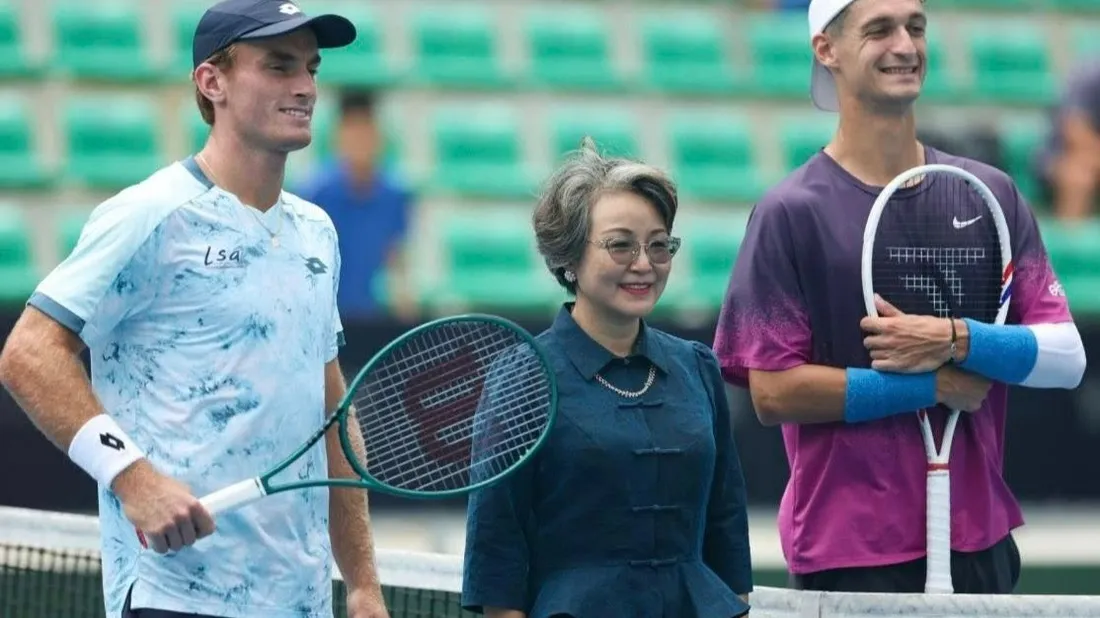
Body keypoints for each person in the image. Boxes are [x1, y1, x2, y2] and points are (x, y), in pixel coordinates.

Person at [0, 1, 390, 617]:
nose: (306, 87)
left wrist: (363, 582)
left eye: (311, 70)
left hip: (300, 602)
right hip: (174, 595)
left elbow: (330, 411)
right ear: (213, 83)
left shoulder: (317, 231)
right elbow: (28, 353)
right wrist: (134, 478)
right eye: (279, 66)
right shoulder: (149, 214)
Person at [714, 0, 1087, 595]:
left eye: (916, 27)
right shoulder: (789, 213)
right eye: (879, 29)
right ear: (826, 49)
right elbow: (772, 392)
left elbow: (1067, 357)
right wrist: (929, 384)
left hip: (980, 542)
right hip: (848, 550)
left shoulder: (993, 194)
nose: (906, 46)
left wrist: (953, 339)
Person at [460, 140, 753, 618]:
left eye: (659, 245)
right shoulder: (524, 376)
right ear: (569, 258)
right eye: (621, 244)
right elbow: (497, 546)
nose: (644, 264)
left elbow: (725, 523)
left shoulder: (697, 366)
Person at [295, 89, 417, 322]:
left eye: (367, 131)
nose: (361, 141)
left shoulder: (396, 195)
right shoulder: (314, 193)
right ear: (338, 137)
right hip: (320, 318)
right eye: (353, 131)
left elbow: (396, 258)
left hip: (369, 316)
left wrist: (403, 302)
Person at [1033, 61, 1100, 221]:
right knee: (1078, 176)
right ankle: (1070, 242)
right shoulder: (1089, 74)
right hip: (1065, 155)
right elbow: (1076, 132)